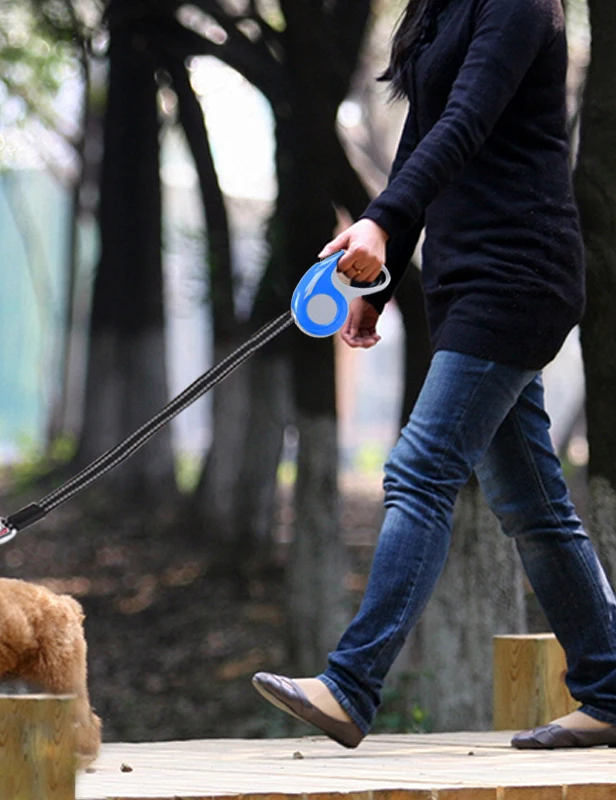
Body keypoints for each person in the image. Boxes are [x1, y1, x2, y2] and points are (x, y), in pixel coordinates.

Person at [252, 0, 616, 750]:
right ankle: (612, 689)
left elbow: (466, 125)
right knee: (535, 507)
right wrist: (380, 285)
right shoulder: (441, 9)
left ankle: (351, 685)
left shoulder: (521, 7)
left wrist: (381, 224)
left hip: (522, 273)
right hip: (468, 281)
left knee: (420, 470)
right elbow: (422, 136)